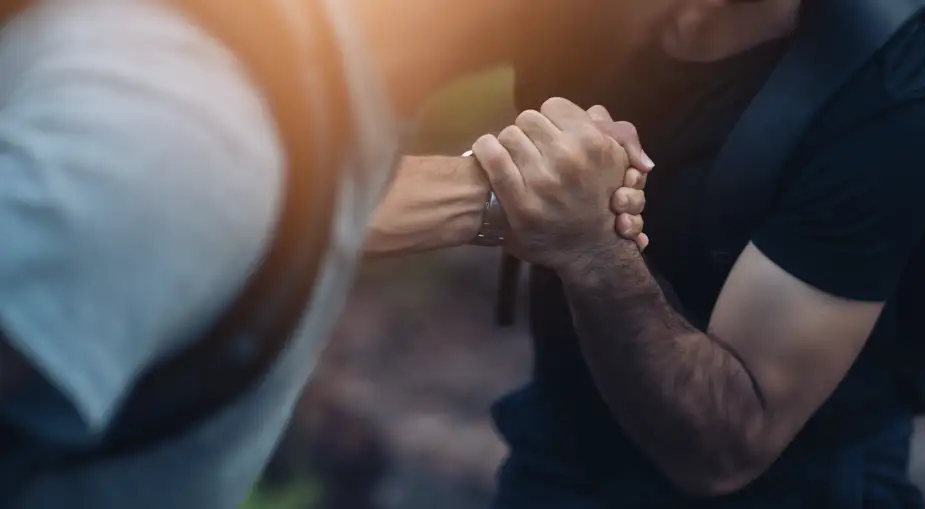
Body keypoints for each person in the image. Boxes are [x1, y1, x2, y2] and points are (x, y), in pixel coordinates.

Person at [0, 1, 649, 507]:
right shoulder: (175, 129)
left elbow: (260, 202)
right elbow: (176, 185)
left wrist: (506, 192)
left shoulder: (285, 85)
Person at [481, 0, 925, 507]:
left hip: (788, 490)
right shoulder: (577, 16)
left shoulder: (887, 101)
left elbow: (725, 451)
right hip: (562, 443)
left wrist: (593, 247)